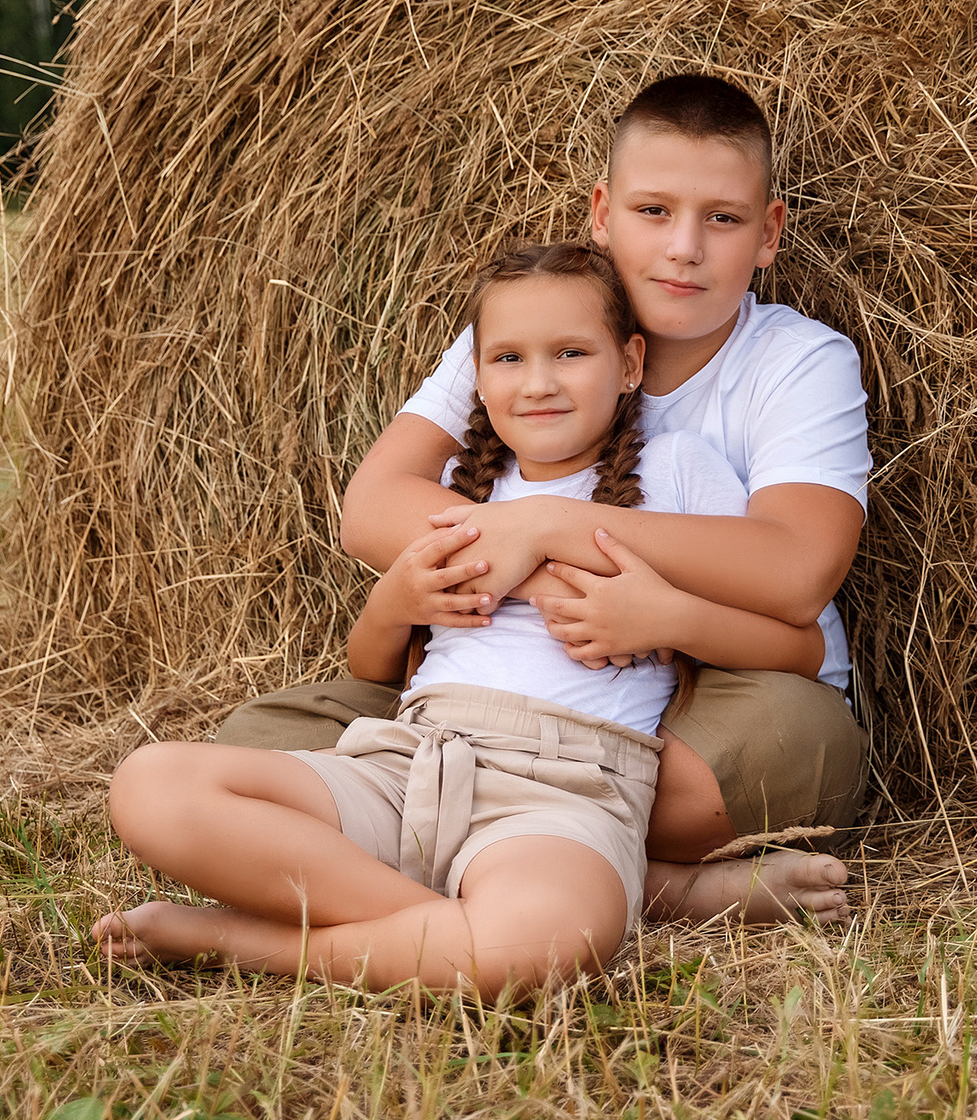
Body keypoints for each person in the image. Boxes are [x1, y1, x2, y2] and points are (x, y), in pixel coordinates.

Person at [214, 74, 869, 927]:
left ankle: (465, 855)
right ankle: (654, 885)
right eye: (652, 211)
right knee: (248, 744)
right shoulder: (530, 329)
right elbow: (372, 506)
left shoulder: (797, 361)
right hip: (496, 702)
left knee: (791, 739)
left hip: (717, 693)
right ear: (601, 213)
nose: (683, 249)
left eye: (723, 218)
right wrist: (532, 574)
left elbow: (795, 573)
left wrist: (550, 525)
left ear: (768, 233)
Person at [92, 244, 824, 994]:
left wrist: (667, 616)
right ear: (475, 375)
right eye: (508, 357)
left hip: (566, 790)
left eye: (571, 352)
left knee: (536, 945)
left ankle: (233, 939)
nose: (538, 382)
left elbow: (799, 644)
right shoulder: (457, 491)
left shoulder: (678, 472)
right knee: (150, 785)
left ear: (631, 363)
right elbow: (371, 670)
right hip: (409, 758)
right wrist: (393, 602)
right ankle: (562, 906)